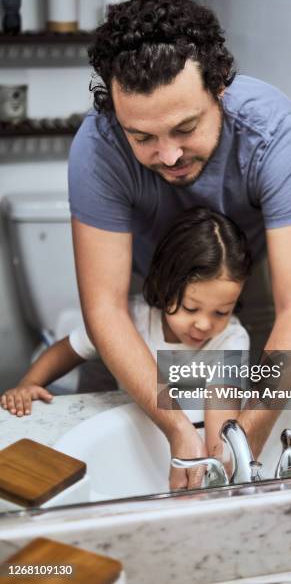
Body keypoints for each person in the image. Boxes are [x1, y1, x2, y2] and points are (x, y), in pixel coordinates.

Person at [68, 0, 291, 489]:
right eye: (142, 137)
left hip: (239, 297)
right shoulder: (97, 147)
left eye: (185, 128)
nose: (167, 155)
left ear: (220, 89)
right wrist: (176, 431)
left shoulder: (280, 140)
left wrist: (242, 436)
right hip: (141, 302)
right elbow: (104, 309)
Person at [1, 207, 251, 488]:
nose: (204, 325)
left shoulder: (231, 340)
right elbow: (67, 350)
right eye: (191, 308)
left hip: (190, 442)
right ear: (165, 285)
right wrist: (30, 382)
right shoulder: (128, 322)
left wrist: (215, 470)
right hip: (133, 436)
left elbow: (221, 425)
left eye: (222, 312)